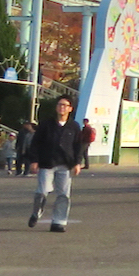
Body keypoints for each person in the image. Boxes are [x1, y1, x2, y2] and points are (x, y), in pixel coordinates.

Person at [27, 96, 85, 233]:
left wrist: (77, 163)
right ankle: (37, 212)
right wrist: (34, 160)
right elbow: (35, 143)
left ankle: (58, 222)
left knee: (63, 194)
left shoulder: (74, 126)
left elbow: (78, 146)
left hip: (65, 164)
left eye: (65, 105)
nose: (62, 107)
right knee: (42, 191)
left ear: (70, 109)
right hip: (47, 163)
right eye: (60, 104)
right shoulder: (46, 124)